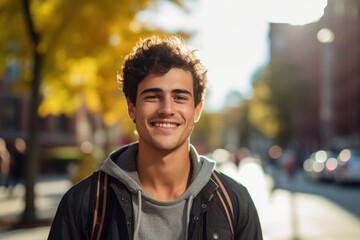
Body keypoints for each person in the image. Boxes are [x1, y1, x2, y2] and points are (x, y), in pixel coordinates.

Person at [48, 35, 263, 239]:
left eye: (179, 97)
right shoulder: (83, 205)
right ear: (132, 107)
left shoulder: (235, 203)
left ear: (197, 110)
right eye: (153, 96)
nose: (167, 109)